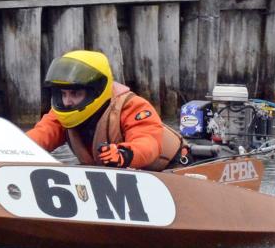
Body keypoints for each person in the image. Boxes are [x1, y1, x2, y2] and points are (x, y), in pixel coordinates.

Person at [26, 50, 183, 170]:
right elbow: (41, 134)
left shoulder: (131, 106)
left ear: (95, 91)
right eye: (63, 94)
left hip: (173, 171)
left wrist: (124, 154)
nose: (67, 102)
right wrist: (12, 148)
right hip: (113, 182)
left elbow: (148, 143)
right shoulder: (62, 114)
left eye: (75, 93)